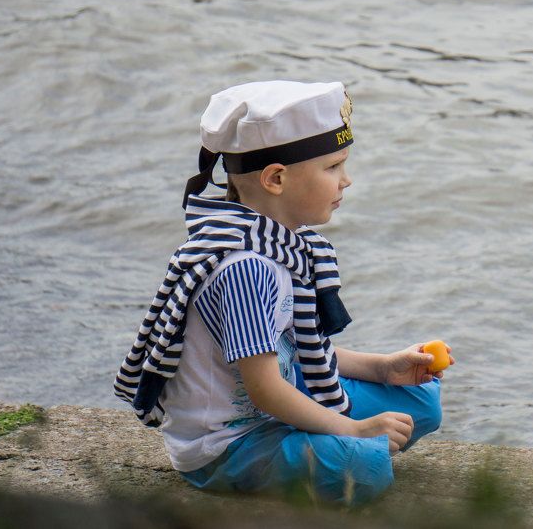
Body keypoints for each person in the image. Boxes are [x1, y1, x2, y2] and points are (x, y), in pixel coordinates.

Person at [113, 80, 453, 504]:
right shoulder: (246, 268)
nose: (346, 180)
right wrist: (355, 429)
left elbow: (292, 349)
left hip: (278, 398)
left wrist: (383, 368)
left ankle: (327, 435)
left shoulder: (278, 246)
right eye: (333, 167)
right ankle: (329, 444)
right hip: (232, 443)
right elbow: (265, 388)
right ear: (276, 178)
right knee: (365, 468)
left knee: (418, 403)